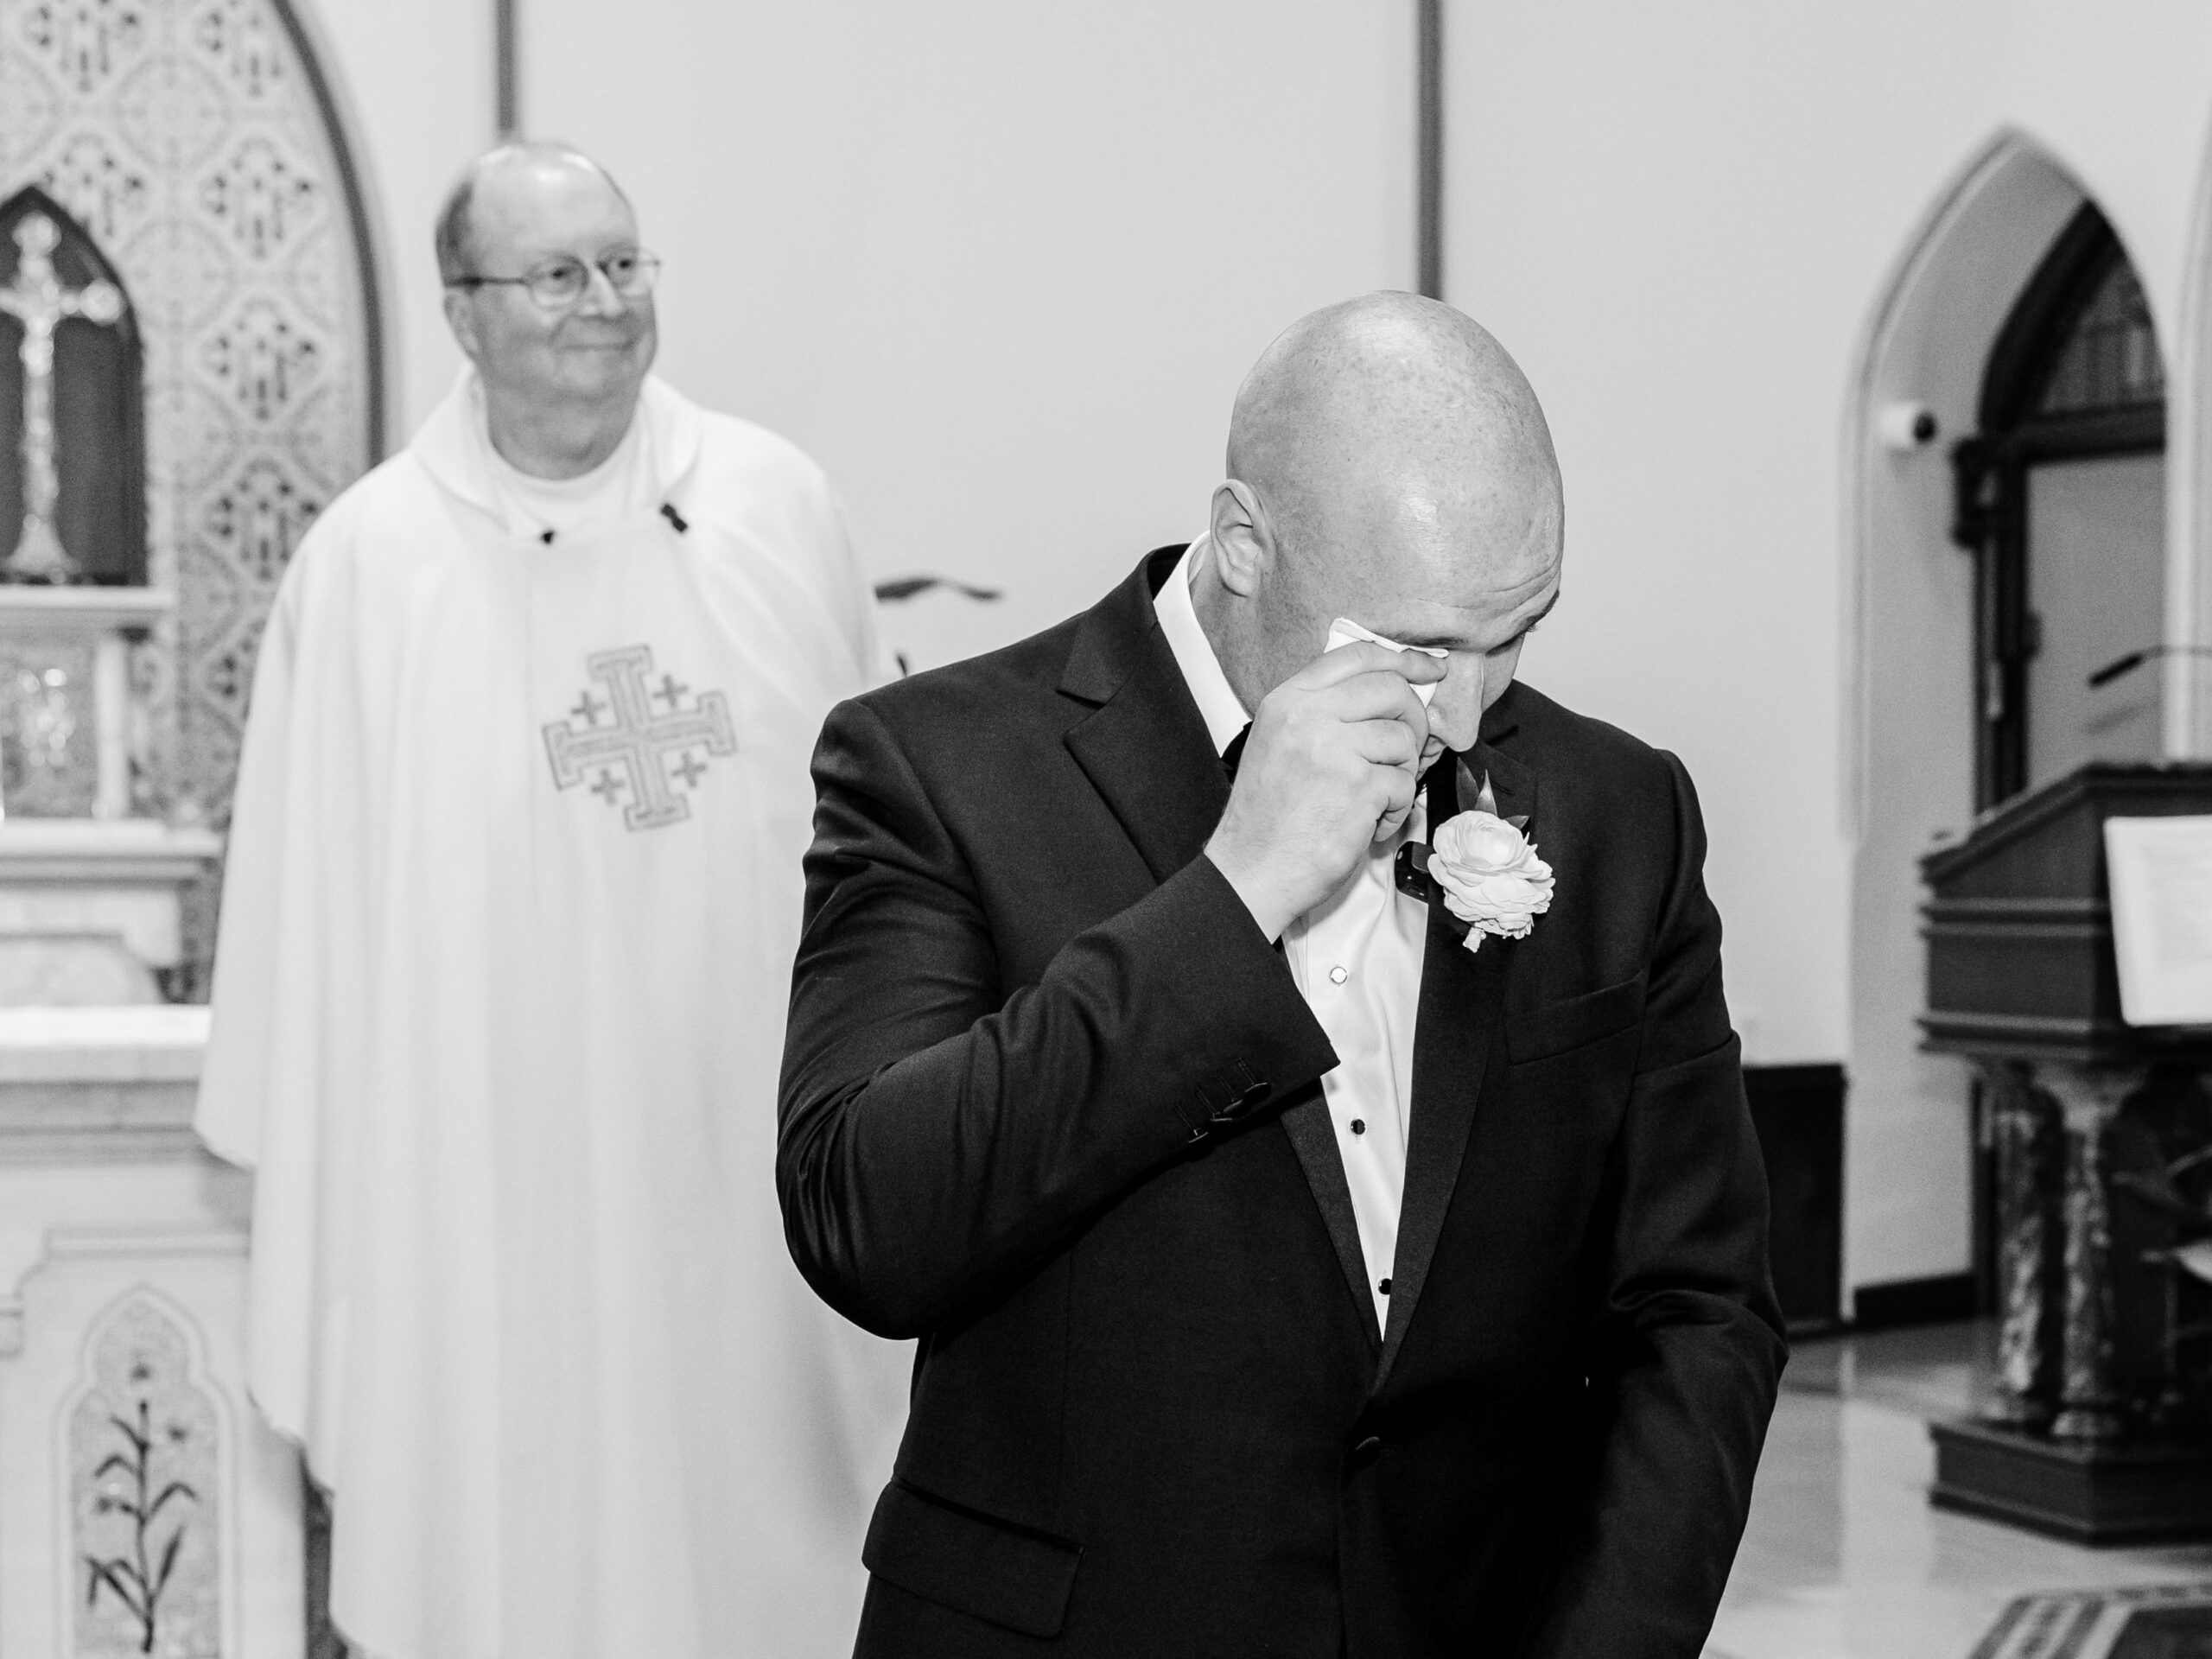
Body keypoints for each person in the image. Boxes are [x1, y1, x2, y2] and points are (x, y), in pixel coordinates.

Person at [779, 291, 1784, 1657]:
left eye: (1519, 630)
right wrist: (1235, 892)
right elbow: (869, 1226)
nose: (1471, 712)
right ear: (1246, 543)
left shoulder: (1620, 808)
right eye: (1422, 647)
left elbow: (1699, 1305)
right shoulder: (942, 768)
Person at [197, 142, 906, 1659]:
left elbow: (890, 869)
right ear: (462, 312)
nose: (605, 303)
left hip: (750, 1184)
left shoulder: (777, 507)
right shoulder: (368, 571)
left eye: (625, 264)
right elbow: (307, 940)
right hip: (483, 1205)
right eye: (558, 273)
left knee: (779, 1550)